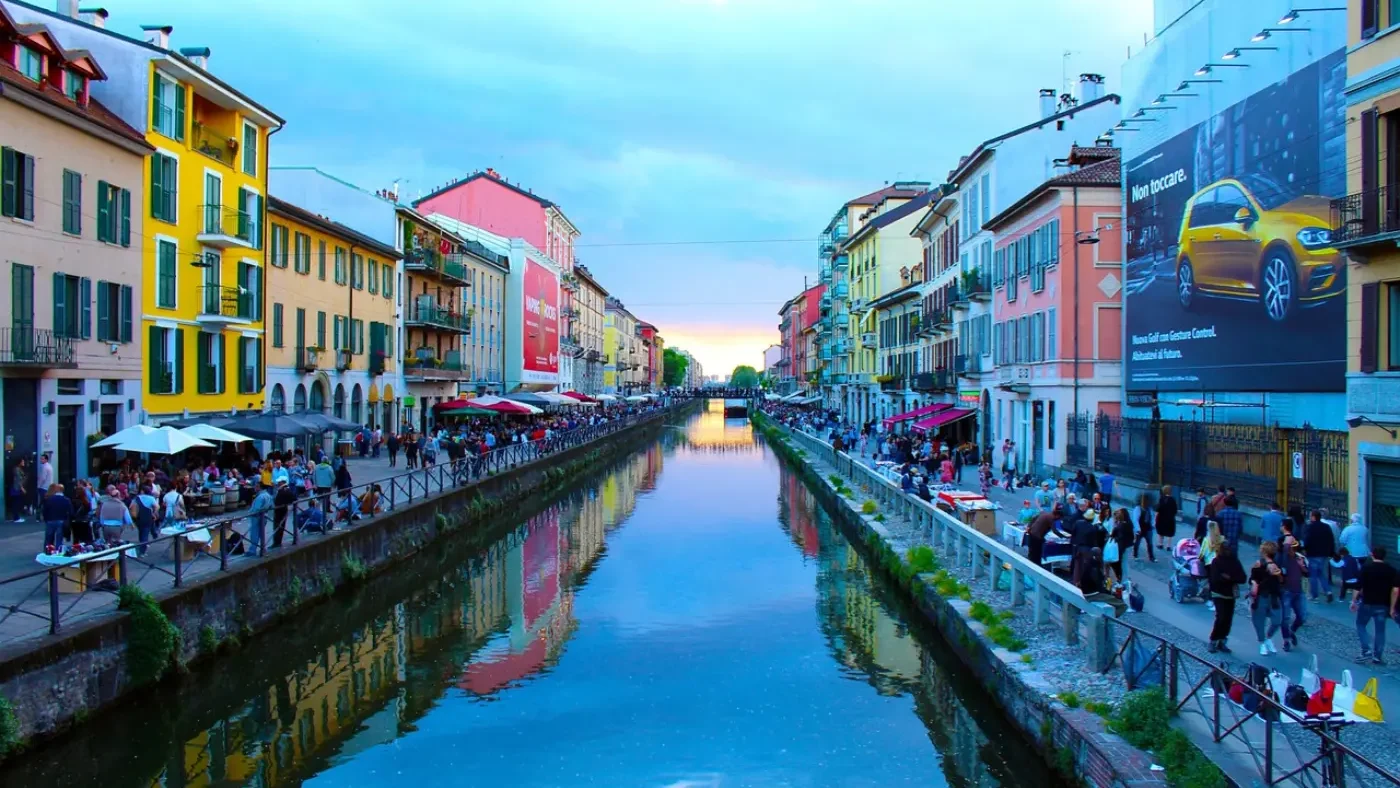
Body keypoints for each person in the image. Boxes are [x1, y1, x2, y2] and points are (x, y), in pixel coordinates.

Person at [1353, 546, 1398, 665]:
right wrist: (1392, 608)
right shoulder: (1391, 570)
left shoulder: (1366, 568)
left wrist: (1353, 601)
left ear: (1372, 555)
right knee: (1380, 630)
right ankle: (1377, 656)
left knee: (1361, 624)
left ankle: (1366, 649)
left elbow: (1358, 586)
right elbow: (1395, 590)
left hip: (1367, 602)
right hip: (1383, 605)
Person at [1207, 542, 1247, 653]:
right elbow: (1215, 579)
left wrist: (1228, 578)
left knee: (1228, 619)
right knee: (1221, 617)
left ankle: (1222, 640)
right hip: (1218, 593)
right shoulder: (1216, 562)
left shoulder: (1234, 561)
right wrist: (1230, 579)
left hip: (1230, 595)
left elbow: (1242, 577)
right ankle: (1213, 639)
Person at [1249, 540, 1285, 656]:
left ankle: (1268, 637)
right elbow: (1252, 578)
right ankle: (1262, 642)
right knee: (1259, 620)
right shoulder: (1258, 564)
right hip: (1261, 596)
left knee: (1277, 620)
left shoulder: (1276, 564)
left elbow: (1282, 580)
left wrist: (1277, 573)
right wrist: (1254, 584)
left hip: (1274, 596)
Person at [1278, 539, 1307, 652]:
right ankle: (1286, 640)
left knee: (1302, 616)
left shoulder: (1300, 558)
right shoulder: (1281, 559)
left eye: (1294, 548)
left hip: (1299, 591)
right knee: (1285, 618)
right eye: (1290, 548)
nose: (1292, 550)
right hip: (1286, 591)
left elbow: (1307, 573)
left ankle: (1292, 631)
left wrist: (1302, 566)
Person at [1303, 509, 1336, 603]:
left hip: (1313, 554)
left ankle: (1314, 596)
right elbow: (1331, 540)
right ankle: (1328, 591)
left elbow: (1307, 540)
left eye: (1310, 516)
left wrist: (1304, 549)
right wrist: (1331, 552)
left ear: (1313, 517)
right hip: (1324, 554)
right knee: (1321, 574)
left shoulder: (1309, 527)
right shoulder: (1326, 527)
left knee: (1313, 575)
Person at [129, 485, 160, 556]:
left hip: (138, 518)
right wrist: (153, 512)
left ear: (142, 491)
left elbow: (131, 506)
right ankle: (142, 551)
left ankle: (142, 546)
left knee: (141, 531)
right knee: (145, 534)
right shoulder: (151, 498)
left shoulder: (136, 498)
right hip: (147, 517)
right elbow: (157, 506)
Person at [246, 482, 274, 556]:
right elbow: (271, 506)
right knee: (262, 534)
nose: (255, 488)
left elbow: (256, 509)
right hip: (264, 516)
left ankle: (252, 550)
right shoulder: (268, 495)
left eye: (256, 487)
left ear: (259, 487)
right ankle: (263, 548)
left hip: (257, 517)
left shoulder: (260, 497)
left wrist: (250, 513)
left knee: (254, 534)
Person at [41, 484, 72, 550]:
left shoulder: (50, 499)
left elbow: (45, 510)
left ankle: (47, 550)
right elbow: (71, 512)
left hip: (50, 520)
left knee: (48, 538)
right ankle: (58, 551)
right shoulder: (66, 500)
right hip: (61, 520)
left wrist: (46, 519)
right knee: (59, 538)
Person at [1108, 508, 1134, 583]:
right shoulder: (1127, 523)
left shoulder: (1122, 525)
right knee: (1124, 563)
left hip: (1123, 546)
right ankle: (1125, 578)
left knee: (1123, 563)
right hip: (1127, 545)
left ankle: (1124, 579)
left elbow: (1119, 536)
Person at [272, 479, 297, 548]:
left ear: (282, 482)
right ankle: (277, 542)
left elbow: (293, 498)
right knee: (279, 526)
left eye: (279, 482)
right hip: (280, 509)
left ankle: (277, 542)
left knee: (278, 526)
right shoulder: (283, 489)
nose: (278, 483)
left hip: (280, 510)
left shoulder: (284, 490)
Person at [1131, 492, 1155, 562]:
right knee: (1137, 543)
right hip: (1140, 529)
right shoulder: (1137, 509)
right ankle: (1135, 555)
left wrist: (1153, 525)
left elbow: (1152, 517)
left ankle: (1151, 557)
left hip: (1148, 529)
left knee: (1150, 543)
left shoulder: (1149, 509)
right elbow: (1135, 520)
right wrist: (1138, 529)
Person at [1155, 485, 1177, 551]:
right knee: (1170, 532)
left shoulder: (1162, 499)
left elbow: (1158, 508)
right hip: (1170, 518)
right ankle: (1168, 546)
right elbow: (1175, 509)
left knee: (1161, 531)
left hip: (1161, 518)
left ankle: (1160, 544)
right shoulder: (1173, 499)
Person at [8, 457, 27, 522]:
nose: (23, 463)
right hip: (16, 488)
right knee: (16, 503)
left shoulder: (18, 469)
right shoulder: (17, 469)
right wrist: (22, 488)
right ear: (19, 462)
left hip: (16, 488)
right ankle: (16, 518)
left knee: (16, 502)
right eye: (22, 461)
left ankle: (15, 517)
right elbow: (18, 480)